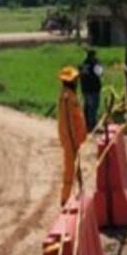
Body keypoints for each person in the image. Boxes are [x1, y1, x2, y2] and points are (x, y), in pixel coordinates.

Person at [56, 66, 86, 205]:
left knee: (75, 166)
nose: (77, 81)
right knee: (70, 169)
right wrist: (74, 142)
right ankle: (65, 199)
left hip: (74, 140)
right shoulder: (67, 98)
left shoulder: (70, 95)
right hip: (70, 141)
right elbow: (69, 123)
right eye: (75, 79)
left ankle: (80, 191)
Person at [78, 49, 103, 131]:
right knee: (93, 108)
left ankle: (86, 124)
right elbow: (100, 72)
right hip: (94, 89)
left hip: (85, 89)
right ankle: (92, 126)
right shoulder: (94, 65)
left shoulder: (82, 65)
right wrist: (98, 64)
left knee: (87, 107)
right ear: (93, 56)